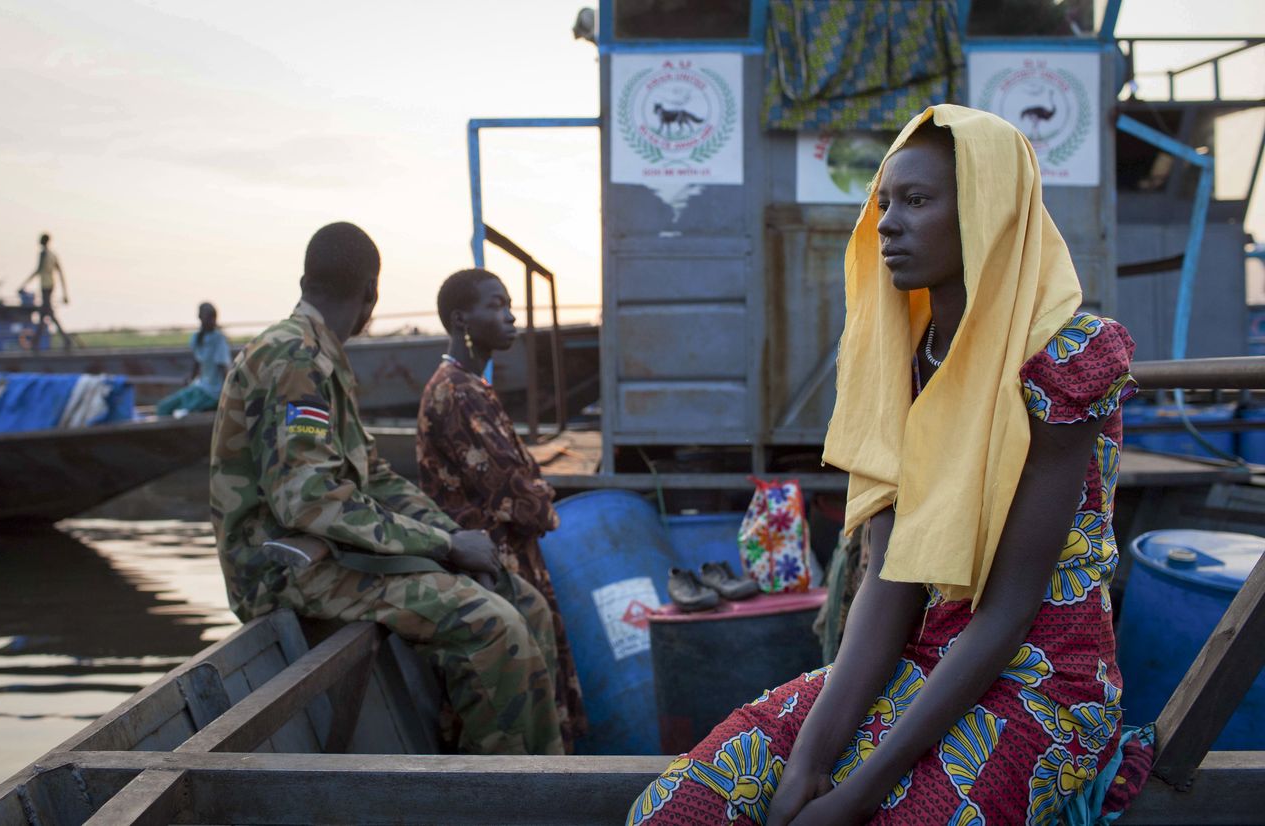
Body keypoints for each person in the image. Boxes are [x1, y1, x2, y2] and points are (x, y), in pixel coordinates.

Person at [628, 105, 1154, 825]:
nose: (886, 223)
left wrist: (853, 796)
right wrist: (810, 761)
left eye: (916, 200)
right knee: (678, 807)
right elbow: (887, 580)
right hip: (918, 666)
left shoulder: (1063, 357)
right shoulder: (904, 367)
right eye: (882, 202)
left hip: (1038, 684)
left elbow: (1006, 616)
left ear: (986, 210)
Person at [210, 222, 563, 756]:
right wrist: (444, 547)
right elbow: (307, 498)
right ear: (371, 295)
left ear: (306, 280)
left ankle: (544, 775)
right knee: (492, 625)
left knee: (523, 601)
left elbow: (372, 477)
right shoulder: (294, 358)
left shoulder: (321, 355)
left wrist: (454, 535)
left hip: (331, 555)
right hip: (282, 572)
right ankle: (508, 797)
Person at [417, 268, 589, 751]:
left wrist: (535, 493)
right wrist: (542, 501)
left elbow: (521, 481)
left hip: (510, 559)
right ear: (460, 319)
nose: (511, 314)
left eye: (508, 303)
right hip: (495, 568)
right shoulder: (457, 391)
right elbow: (518, 493)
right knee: (515, 706)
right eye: (495, 304)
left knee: (535, 694)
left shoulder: (473, 384)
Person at [157, 302, 231, 416]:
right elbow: (197, 361)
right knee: (163, 407)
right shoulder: (197, 338)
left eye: (213, 317)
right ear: (200, 318)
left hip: (213, 393)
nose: (212, 321)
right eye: (209, 317)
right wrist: (191, 379)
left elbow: (223, 367)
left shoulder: (219, 339)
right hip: (201, 387)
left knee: (177, 411)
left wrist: (227, 395)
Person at [18, 233, 72, 350]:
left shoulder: (44, 254)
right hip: (51, 285)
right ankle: (37, 341)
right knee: (45, 314)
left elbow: (37, 270)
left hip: (45, 287)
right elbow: (60, 273)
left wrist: (23, 284)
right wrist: (65, 293)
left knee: (48, 314)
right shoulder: (53, 255)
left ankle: (65, 340)